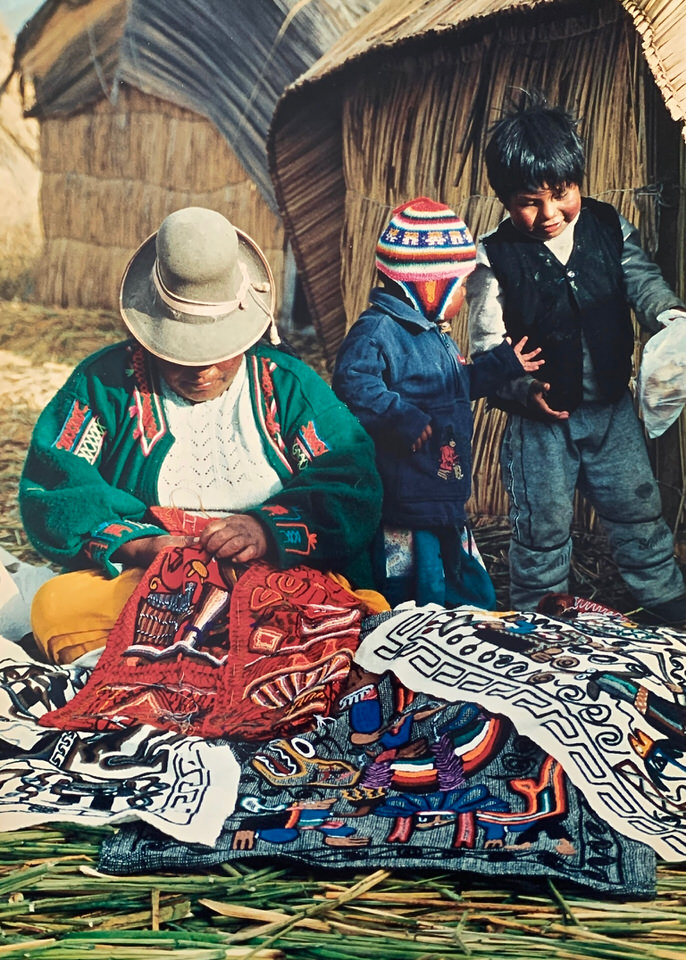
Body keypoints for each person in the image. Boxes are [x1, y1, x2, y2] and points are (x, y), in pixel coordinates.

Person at [20, 206, 386, 664]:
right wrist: (138, 544)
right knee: (55, 611)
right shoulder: (104, 383)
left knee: (368, 613)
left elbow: (350, 480)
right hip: (156, 584)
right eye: (182, 354)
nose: (203, 370)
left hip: (270, 578)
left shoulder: (289, 386)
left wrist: (265, 530)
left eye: (221, 351)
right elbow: (55, 484)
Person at [467, 97, 686, 622]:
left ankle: (666, 604)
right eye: (527, 201)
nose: (548, 214)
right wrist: (521, 391)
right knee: (542, 526)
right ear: (502, 198)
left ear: (576, 181)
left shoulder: (609, 228)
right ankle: (538, 619)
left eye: (561, 194)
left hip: (611, 411)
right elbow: (486, 347)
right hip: (539, 422)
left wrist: (672, 318)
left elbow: (643, 283)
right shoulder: (492, 258)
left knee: (637, 508)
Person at [332, 197, 543, 608]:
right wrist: (400, 416)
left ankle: (460, 630)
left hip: (441, 488)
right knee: (411, 585)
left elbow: (455, 385)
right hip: (407, 494)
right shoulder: (378, 331)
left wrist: (504, 364)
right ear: (430, 285)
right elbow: (351, 383)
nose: (464, 294)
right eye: (460, 284)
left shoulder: (432, 332)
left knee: (455, 577)